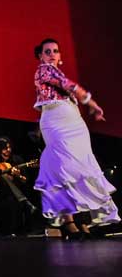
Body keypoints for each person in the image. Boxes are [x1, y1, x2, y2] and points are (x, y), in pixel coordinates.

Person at [31, 38, 119, 238]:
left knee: (82, 170)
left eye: (55, 51)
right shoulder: (43, 70)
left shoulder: (56, 71)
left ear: (60, 56)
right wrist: (92, 103)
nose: (52, 54)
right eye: (47, 51)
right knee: (63, 170)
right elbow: (67, 85)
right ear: (40, 56)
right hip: (56, 123)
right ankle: (69, 221)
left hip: (75, 124)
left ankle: (83, 221)